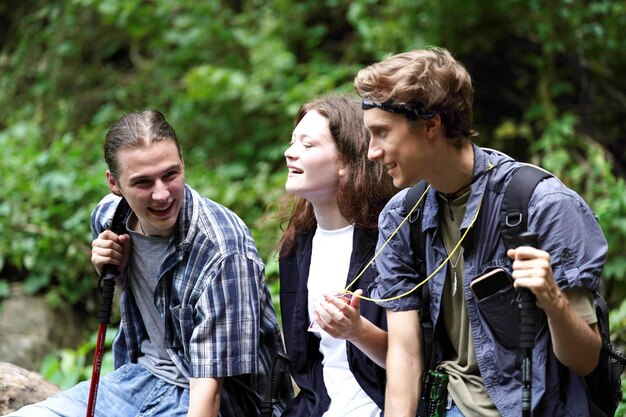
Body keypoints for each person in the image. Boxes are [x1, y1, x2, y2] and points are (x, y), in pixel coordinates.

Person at [353, 47, 607, 417]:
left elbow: (585, 359)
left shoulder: (543, 204)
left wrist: (553, 300)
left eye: (381, 133)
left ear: (430, 125)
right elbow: (405, 355)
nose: (372, 152)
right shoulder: (402, 217)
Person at [6, 110, 291, 417]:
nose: (161, 194)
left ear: (182, 163)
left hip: (219, 400)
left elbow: (210, 394)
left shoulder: (223, 250)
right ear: (114, 184)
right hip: (139, 379)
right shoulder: (109, 219)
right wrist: (110, 271)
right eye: (142, 182)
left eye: (170, 174)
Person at [276, 94, 398, 416]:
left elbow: (416, 358)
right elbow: (309, 365)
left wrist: (357, 330)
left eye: (308, 145)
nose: (290, 153)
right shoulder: (296, 247)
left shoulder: (390, 242)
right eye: (292, 142)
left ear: (346, 163)